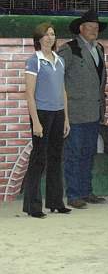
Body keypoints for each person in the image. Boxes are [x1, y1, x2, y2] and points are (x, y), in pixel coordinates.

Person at [58, 9, 108, 210]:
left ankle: (86, 191)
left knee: (89, 153)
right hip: (76, 112)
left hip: (94, 112)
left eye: (97, 27)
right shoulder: (69, 49)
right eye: (91, 27)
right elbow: (58, 78)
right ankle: (73, 194)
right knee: (74, 153)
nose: (94, 30)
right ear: (81, 28)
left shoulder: (100, 49)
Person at [23, 23, 71, 218]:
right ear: (39, 38)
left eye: (52, 34)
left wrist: (66, 118)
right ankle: (32, 206)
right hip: (42, 114)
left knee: (55, 158)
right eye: (46, 34)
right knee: (38, 160)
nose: (50, 37)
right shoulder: (34, 61)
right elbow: (29, 93)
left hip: (59, 114)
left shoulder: (59, 60)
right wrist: (35, 121)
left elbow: (63, 91)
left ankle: (55, 202)